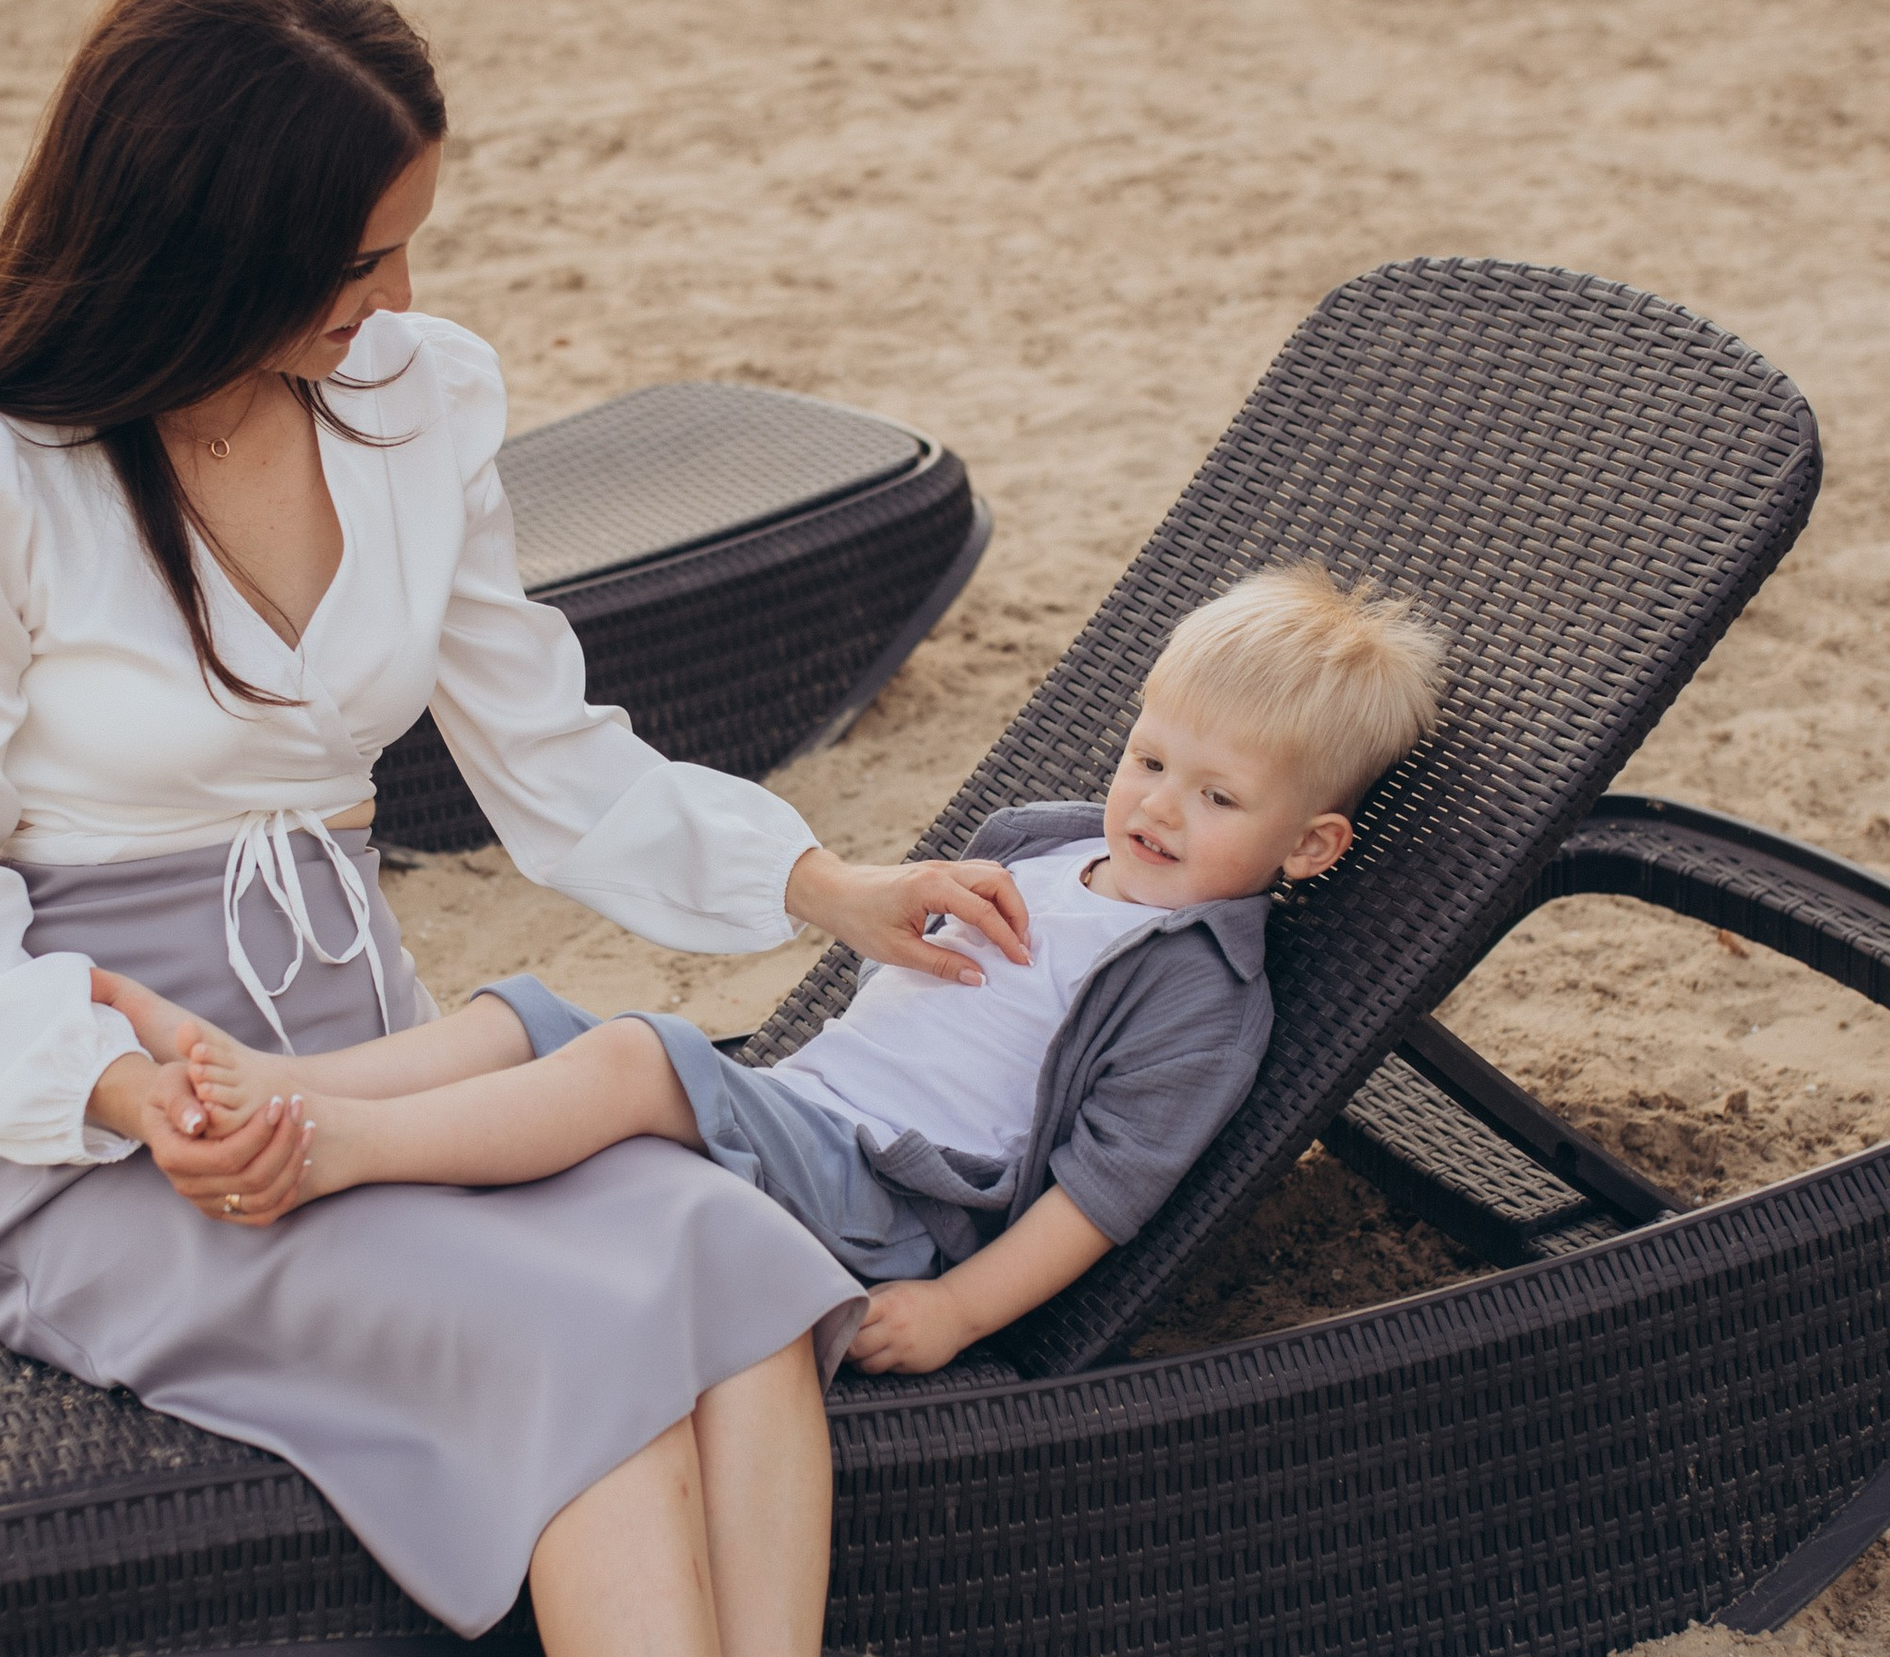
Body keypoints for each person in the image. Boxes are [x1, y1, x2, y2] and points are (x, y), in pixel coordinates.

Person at [0, 0, 1035, 1657]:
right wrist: (120, 1095)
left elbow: (547, 755)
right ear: (204, 244)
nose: (395, 299)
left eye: (407, 249)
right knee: (580, 1335)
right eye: (354, 262)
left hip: (371, 1052)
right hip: (118, 1123)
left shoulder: (415, 398)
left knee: (721, 1255)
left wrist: (825, 886)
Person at [106, 564, 1447, 1375]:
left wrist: (956, 1311)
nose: (1155, 805)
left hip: (892, 1197)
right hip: (805, 1114)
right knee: (532, 1015)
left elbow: (1104, 1196)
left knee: (636, 1054)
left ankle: (339, 1150)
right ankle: (300, 1085)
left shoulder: (1198, 989)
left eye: (1217, 797)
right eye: (1149, 758)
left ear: (1309, 845)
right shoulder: (1041, 847)